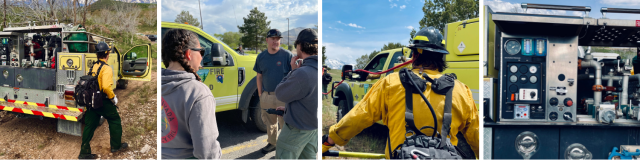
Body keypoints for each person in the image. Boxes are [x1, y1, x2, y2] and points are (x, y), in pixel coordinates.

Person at [321, 27, 479, 159]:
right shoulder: (461, 90)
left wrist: (330, 140)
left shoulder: (391, 83)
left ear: (414, 55)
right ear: (441, 56)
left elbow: (359, 116)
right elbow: (477, 135)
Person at [161, 29, 221, 159]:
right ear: (189, 54)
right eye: (201, 51)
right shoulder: (198, 93)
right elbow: (207, 152)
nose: (202, 57)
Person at [274, 28, 318, 159]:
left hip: (296, 130)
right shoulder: (319, 69)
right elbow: (310, 98)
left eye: (296, 45)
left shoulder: (302, 73)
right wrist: (289, 108)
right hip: (312, 130)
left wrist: (293, 71)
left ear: (300, 45)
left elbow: (280, 93)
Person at [78, 42, 128, 159]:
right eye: (109, 52)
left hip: (92, 101)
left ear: (97, 54)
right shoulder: (106, 68)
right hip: (103, 101)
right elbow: (105, 87)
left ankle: (84, 152)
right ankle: (116, 146)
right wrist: (112, 97)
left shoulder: (94, 66)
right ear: (107, 53)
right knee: (114, 119)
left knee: (90, 125)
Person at [253, 28, 294, 154]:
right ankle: (272, 143)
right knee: (270, 123)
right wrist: (260, 94)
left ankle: (285, 147)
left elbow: (294, 76)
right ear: (267, 40)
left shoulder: (287, 55)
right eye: (273, 39)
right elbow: (259, 76)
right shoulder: (261, 57)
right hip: (267, 96)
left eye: (278, 39)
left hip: (283, 97)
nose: (275, 41)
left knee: (285, 124)